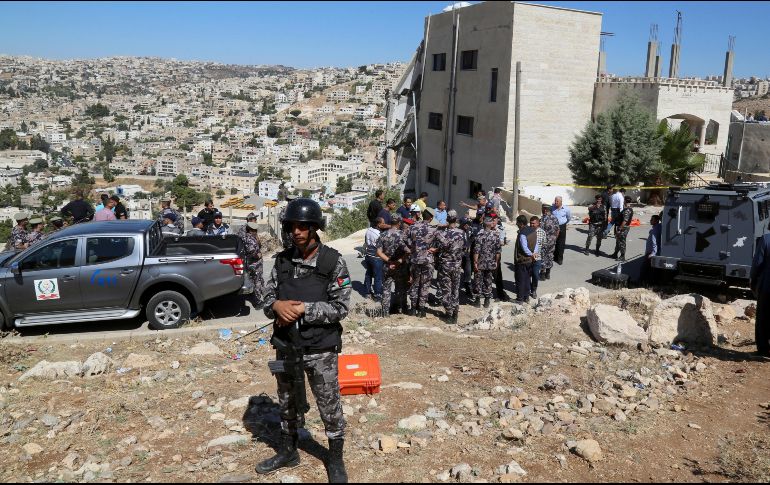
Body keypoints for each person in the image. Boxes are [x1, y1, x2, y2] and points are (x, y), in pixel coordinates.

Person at [257, 198, 350, 482]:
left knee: (329, 406)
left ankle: (334, 459)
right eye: (292, 226)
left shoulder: (332, 261)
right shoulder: (283, 261)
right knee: (287, 403)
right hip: (286, 347)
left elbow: (341, 307)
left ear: (314, 229)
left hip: (320, 349)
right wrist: (276, 307)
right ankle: (289, 451)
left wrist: (303, 310)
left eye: (303, 227)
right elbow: (266, 296)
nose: (297, 232)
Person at [433, 210, 466, 324]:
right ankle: (455, 312)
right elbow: (465, 248)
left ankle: (449, 313)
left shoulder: (443, 234)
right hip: (457, 265)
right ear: (456, 219)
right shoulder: (462, 233)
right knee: (455, 289)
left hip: (446, 265)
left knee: (446, 290)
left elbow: (441, 247)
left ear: (447, 219)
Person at [376, 213, 410, 316]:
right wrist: (399, 261)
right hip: (401, 266)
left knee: (386, 289)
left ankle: (385, 312)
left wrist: (389, 261)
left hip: (387, 266)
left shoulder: (383, 235)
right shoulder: (403, 235)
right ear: (399, 223)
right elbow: (408, 251)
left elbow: (378, 252)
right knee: (401, 289)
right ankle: (403, 309)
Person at [407, 206, 437, 317]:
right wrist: (435, 249)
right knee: (425, 285)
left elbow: (404, 241)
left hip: (415, 260)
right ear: (431, 218)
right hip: (428, 261)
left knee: (415, 284)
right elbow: (445, 243)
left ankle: (413, 309)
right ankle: (422, 309)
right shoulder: (433, 229)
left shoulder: (412, 227)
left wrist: (411, 249)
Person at [473, 216, 501, 308]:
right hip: (490, 263)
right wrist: (496, 262)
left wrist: (475, 262)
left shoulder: (479, 234)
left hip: (480, 262)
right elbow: (498, 251)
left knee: (478, 281)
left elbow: (476, 250)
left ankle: (477, 300)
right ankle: (487, 300)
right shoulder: (496, 235)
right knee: (488, 281)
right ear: (490, 224)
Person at [514, 214, 538, 304]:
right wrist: (534, 254)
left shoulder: (522, 234)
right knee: (527, 278)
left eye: (517, 222)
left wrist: (530, 254)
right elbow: (536, 245)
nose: (516, 224)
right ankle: (526, 297)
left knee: (520, 279)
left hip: (522, 260)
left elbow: (524, 248)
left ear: (521, 223)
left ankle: (520, 298)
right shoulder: (532, 230)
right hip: (530, 260)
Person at [243, 221, 265, 307]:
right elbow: (251, 251)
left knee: (255, 280)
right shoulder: (250, 239)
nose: (256, 231)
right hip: (255, 264)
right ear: (251, 230)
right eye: (255, 230)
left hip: (252, 264)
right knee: (257, 282)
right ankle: (257, 302)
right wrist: (257, 255)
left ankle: (256, 296)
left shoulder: (248, 237)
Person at [363, 217, 384, 301]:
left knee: (368, 274)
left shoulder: (368, 230)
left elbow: (365, 241)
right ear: (379, 224)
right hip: (376, 257)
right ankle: (377, 294)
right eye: (383, 223)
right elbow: (381, 247)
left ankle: (367, 293)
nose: (384, 224)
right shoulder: (379, 234)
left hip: (368, 256)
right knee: (378, 276)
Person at [539, 205, 559, 281]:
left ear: (545, 210)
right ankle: (547, 273)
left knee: (543, 256)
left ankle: (544, 273)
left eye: (543, 209)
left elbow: (540, 231)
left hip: (545, 242)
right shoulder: (554, 218)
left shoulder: (543, 219)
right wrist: (554, 239)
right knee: (550, 256)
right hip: (551, 241)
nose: (543, 211)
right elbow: (557, 230)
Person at [611, 196, 634, 262]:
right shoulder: (627, 209)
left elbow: (625, 220)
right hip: (622, 227)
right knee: (618, 241)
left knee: (622, 242)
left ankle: (622, 256)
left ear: (625, 201)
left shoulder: (627, 210)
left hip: (623, 228)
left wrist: (620, 228)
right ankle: (615, 254)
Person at [459, 217, 477, 298]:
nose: (467, 225)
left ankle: (468, 289)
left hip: (467, 255)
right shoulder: (458, 231)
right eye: (465, 224)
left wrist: (469, 244)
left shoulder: (470, 230)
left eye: (468, 224)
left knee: (468, 272)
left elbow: (473, 237)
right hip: (458, 255)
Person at [641, 214, 662, 285]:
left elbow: (654, 242)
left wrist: (653, 253)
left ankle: (640, 282)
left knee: (645, 269)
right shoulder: (659, 227)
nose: (650, 220)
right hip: (654, 252)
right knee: (652, 270)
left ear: (656, 221)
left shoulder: (654, 231)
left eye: (652, 219)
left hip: (650, 252)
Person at [551, 196, 571, 265]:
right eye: (555, 201)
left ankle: (560, 259)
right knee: (554, 241)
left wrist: (564, 223)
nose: (556, 202)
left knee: (561, 243)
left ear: (561, 202)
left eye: (557, 201)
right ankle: (555, 257)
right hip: (553, 227)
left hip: (562, 226)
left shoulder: (566, 209)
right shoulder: (552, 208)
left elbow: (568, 218)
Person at [530, 216, 545, 300]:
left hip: (537, 258)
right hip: (528, 258)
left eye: (533, 223)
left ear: (538, 223)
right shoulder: (527, 231)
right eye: (531, 223)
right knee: (527, 275)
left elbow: (544, 245)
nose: (532, 225)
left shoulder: (542, 232)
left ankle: (534, 289)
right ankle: (527, 288)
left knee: (535, 275)